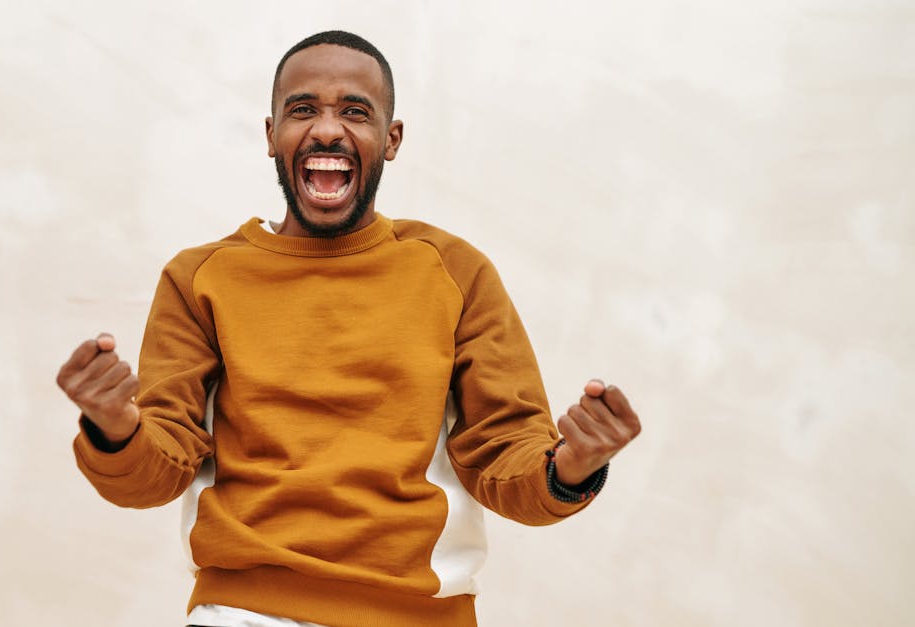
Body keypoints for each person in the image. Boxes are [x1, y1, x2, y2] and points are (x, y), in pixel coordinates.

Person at [57, 30, 641, 627]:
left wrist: (572, 465)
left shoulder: (453, 271)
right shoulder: (200, 279)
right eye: (303, 109)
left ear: (391, 140)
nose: (329, 130)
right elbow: (155, 473)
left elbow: (505, 456)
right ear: (271, 136)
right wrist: (116, 428)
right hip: (243, 612)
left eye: (355, 112)